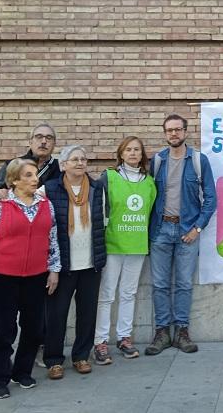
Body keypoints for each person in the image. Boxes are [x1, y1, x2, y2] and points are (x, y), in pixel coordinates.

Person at [0, 158, 60, 399]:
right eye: (29, 175)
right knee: (1, 331)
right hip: (1, 278)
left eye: (35, 175)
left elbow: (52, 240)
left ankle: (21, 371)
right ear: (14, 180)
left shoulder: (45, 204)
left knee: (33, 329)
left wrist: (54, 270)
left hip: (35, 276)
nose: (35, 180)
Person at [145, 113, 216, 355]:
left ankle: (182, 331)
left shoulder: (198, 160)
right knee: (160, 284)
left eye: (177, 129)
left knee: (184, 284)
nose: (173, 134)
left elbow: (211, 199)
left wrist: (197, 228)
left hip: (188, 230)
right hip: (161, 230)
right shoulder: (157, 162)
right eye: (169, 130)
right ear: (164, 134)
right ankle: (162, 332)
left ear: (185, 132)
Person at [43, 145, 106, 380]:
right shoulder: (50, 188)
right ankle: (54, 360)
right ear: (63, 165)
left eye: (83, 159)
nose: (80, 163)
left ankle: (81, 357)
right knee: (56, 314)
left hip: (91, 262)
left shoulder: (97, 188)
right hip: (63, 264)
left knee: (87, 314)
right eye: (74, 159)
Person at [93, 137, 157, 365]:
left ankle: (124, 337)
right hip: (113, 243)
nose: (132, 153)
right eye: (128, 149)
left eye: (137, 150)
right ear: (121, 154)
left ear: (142, 155)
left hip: (137, 243)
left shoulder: (149, 181)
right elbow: (99, 210)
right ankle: (100, 341)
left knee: (129, 293)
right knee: (107, 295)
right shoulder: (109, 177)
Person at [0, 123, 60, 211]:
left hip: (49, 219)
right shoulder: (13, 164)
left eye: (49, 138)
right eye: (39, 136)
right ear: (30, 142)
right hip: (15, 218)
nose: (44, 141)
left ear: (54, 144)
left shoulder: (61, 167)